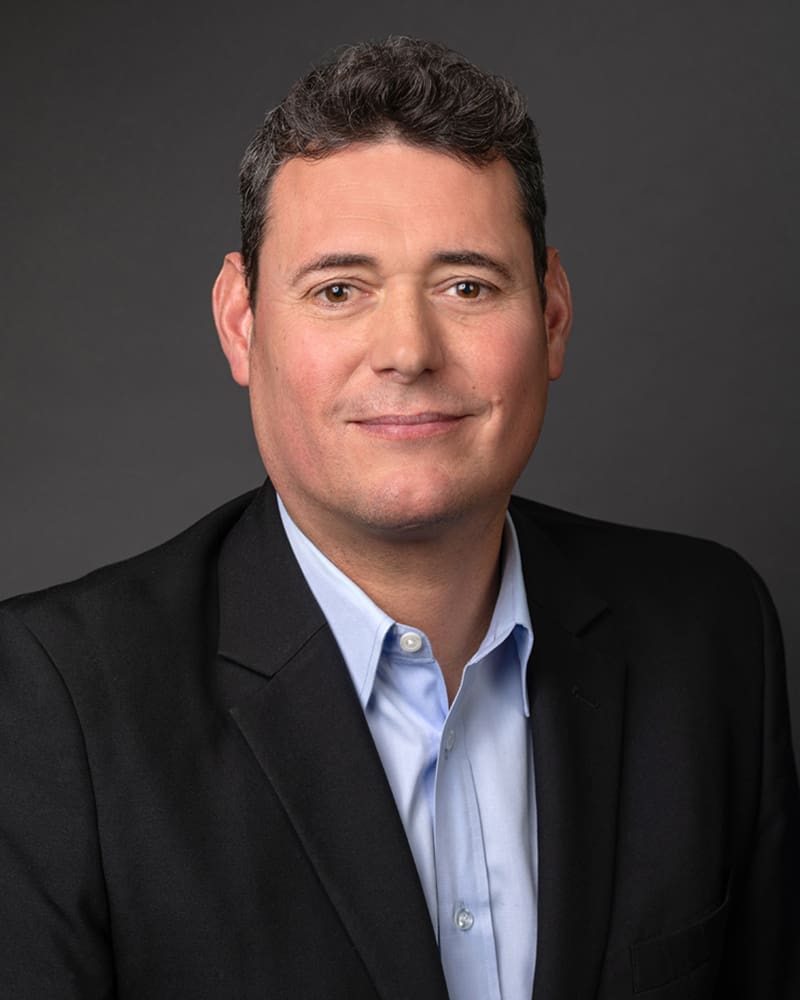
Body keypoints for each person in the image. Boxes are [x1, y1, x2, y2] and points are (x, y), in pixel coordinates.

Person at [1, 36, 797, 1000]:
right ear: (241, 322)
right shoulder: (49, 704)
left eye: (467, 286)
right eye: (339, 290)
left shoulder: (711, 632)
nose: (408, 351)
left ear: (550, 316)